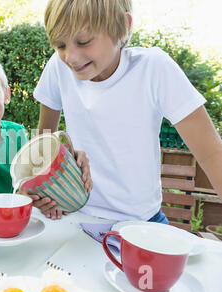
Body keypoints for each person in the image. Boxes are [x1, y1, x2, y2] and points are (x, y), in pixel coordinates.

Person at [34, 0, 222, 223]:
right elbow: (45, 144)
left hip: (142, 223)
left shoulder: (153, 69)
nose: (70, 57)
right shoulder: (58, 68)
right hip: (79, 218)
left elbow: (212, 154)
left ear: (123, 26)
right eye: (60, 45)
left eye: (83, 42)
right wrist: (48, 186)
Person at [0, 55, 92, 218]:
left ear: (6, 95)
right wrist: (24, 199)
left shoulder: (17, 133)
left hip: (18, 218)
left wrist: (67, 157)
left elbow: (34, 179)